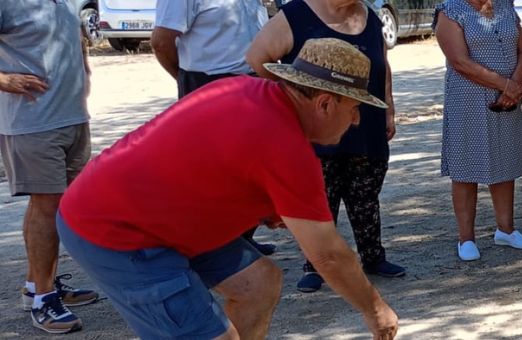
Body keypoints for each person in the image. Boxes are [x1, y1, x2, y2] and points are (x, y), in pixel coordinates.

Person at [57, 38, 399, 340]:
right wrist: (375, 309)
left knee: (259, 284)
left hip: (153, 215)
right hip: (114, 230)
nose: (356, 120)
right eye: (354, 108)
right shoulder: (285, 146)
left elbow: (207, 165)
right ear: (325, 104)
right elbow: (327, 255)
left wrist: (263, 204)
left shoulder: (248, 91)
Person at [245, 0, 404, 293]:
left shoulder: (367, 13)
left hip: (366, 118)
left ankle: (373, 255)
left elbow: (382, 63)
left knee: (366, 191)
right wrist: (294, 102)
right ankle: (316, 264)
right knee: (320, 194)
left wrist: (389, 106)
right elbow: (257, 58)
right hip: (318, 126)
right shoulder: (297, 15)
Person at [0, 0, 102, 335]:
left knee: (62, 205)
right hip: (31, 122)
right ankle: (43, 298)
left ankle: (37, 284)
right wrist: (3, 78)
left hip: (71, 116)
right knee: (47, 206)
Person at [152, 0, 277, 257]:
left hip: (252, 84)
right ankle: (211, 245)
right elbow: (163, 40)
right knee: (215, 171)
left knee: (251, 168)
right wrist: (186, 80)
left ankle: (241, 238)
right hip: (210, 84)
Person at [435, 0, 522, 261]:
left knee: (504, 163)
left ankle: (506, 229)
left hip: (508, 97)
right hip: (469, 101)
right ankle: (466, 238)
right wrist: (505, 85)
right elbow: (460, 62)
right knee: (466, 168)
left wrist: (515, 86)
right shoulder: (450, 13)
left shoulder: (506, 6)